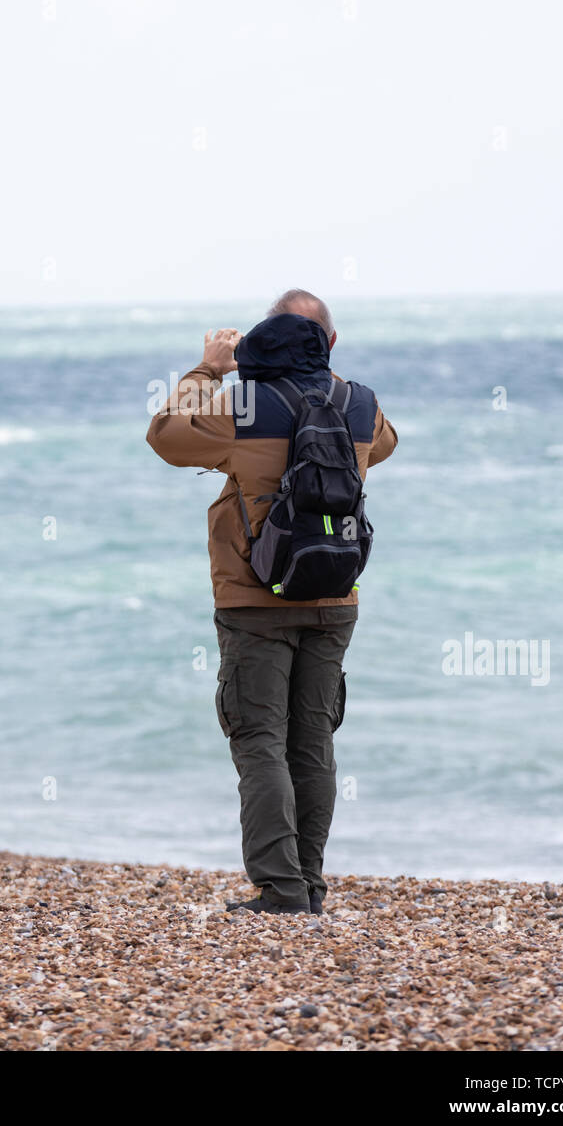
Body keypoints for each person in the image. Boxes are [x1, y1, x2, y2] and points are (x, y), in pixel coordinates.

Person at [146, 289, 397, 915]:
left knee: (259, 739)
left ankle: (279, 888)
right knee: (312, 741)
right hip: (336, 593)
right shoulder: (359, 403)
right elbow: (385, 445)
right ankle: (308, 882)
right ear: (329, 344)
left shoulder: (244, 405)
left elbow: (165, 435)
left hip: (255, 597)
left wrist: (209, 368)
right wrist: (323, 378)